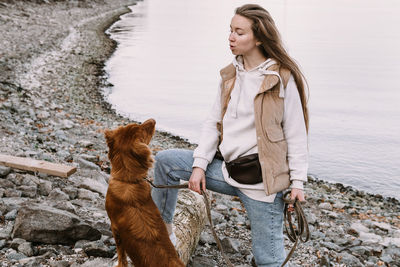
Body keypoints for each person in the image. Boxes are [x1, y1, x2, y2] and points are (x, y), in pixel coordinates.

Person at [151, 4, 308, 267]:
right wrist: (199, 166)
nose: (231, 37)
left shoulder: (282, 78)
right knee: (166, 162)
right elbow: (213, 122)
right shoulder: (230, 74)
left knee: (268, 261)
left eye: (240, 32)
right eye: (230, 31)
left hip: (262, 185)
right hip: (226, 171)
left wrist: (298, 183)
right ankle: (162, 237)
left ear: (259, 38)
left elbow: (296, 133)